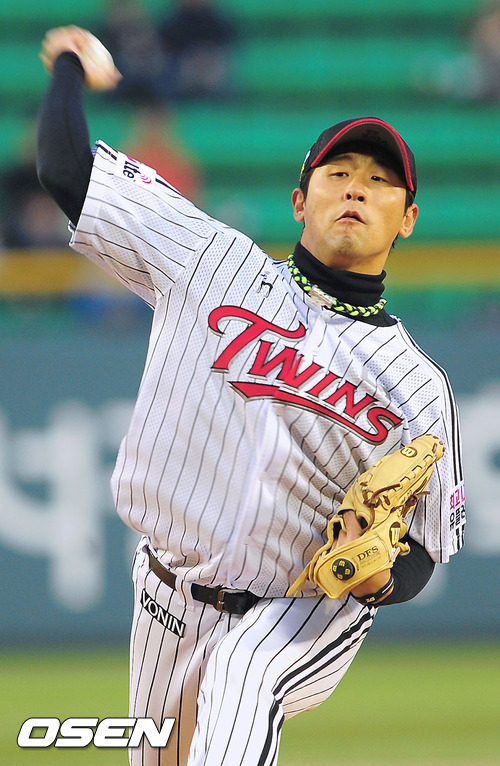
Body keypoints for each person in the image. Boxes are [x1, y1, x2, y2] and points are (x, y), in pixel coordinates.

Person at [36, 27, 466, 766]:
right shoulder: (211, 263)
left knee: (243, 676)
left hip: (304, 609)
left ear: (409, 219)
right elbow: (68, 171)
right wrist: (71, 65)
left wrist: (380, 579)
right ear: (300, 201)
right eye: (338, 172)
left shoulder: (417, 387)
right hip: (169, 594)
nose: (357, 187)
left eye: (380, 180)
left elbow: (427, 547)